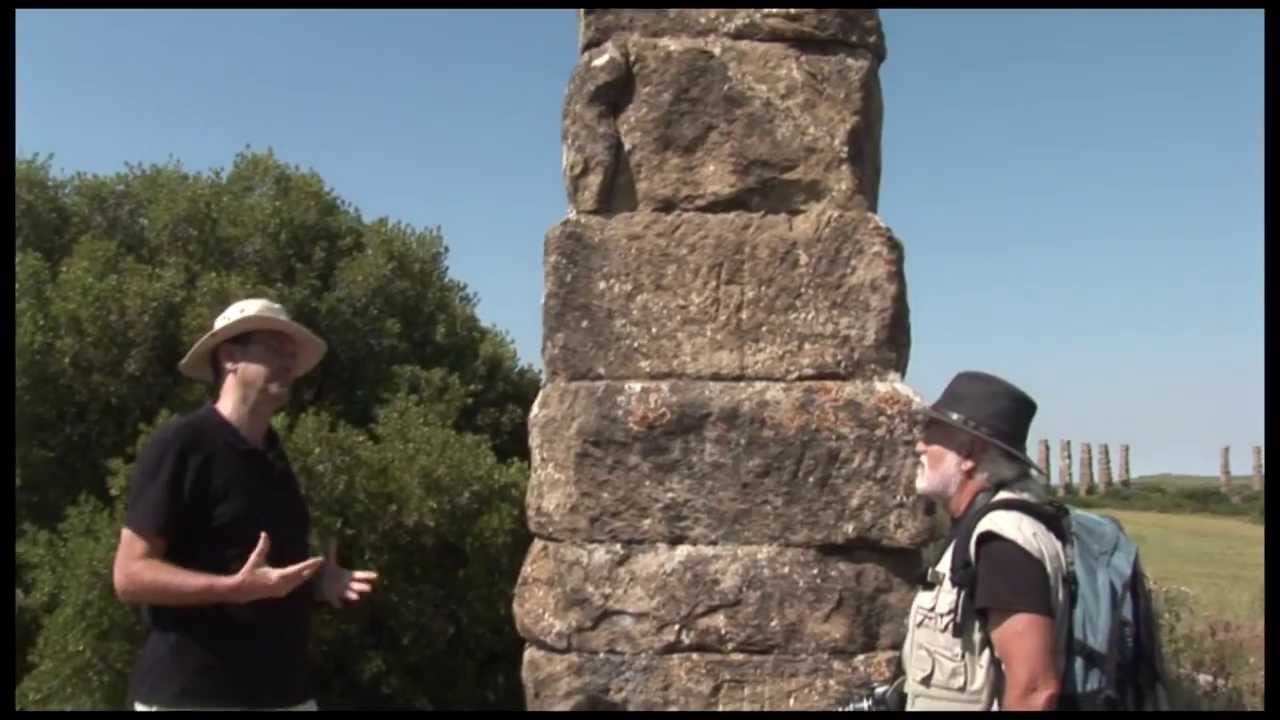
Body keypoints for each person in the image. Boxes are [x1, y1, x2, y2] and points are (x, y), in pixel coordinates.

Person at [112, 298, 379, 711]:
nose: (289, 363)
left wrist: (319, 584)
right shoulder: (183, 444)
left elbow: (265, 577)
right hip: (195, 696)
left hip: (284, 693)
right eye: (275, 349)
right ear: (230, 356)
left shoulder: (274, 455)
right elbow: (130, 575)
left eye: (292, 355)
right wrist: (232, 590)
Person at [900, 371, 1068, 711]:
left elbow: (1035, 690)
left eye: (933, 433)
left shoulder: (1002, 544)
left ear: (968, 453)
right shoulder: (975, 530)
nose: (919, 445)